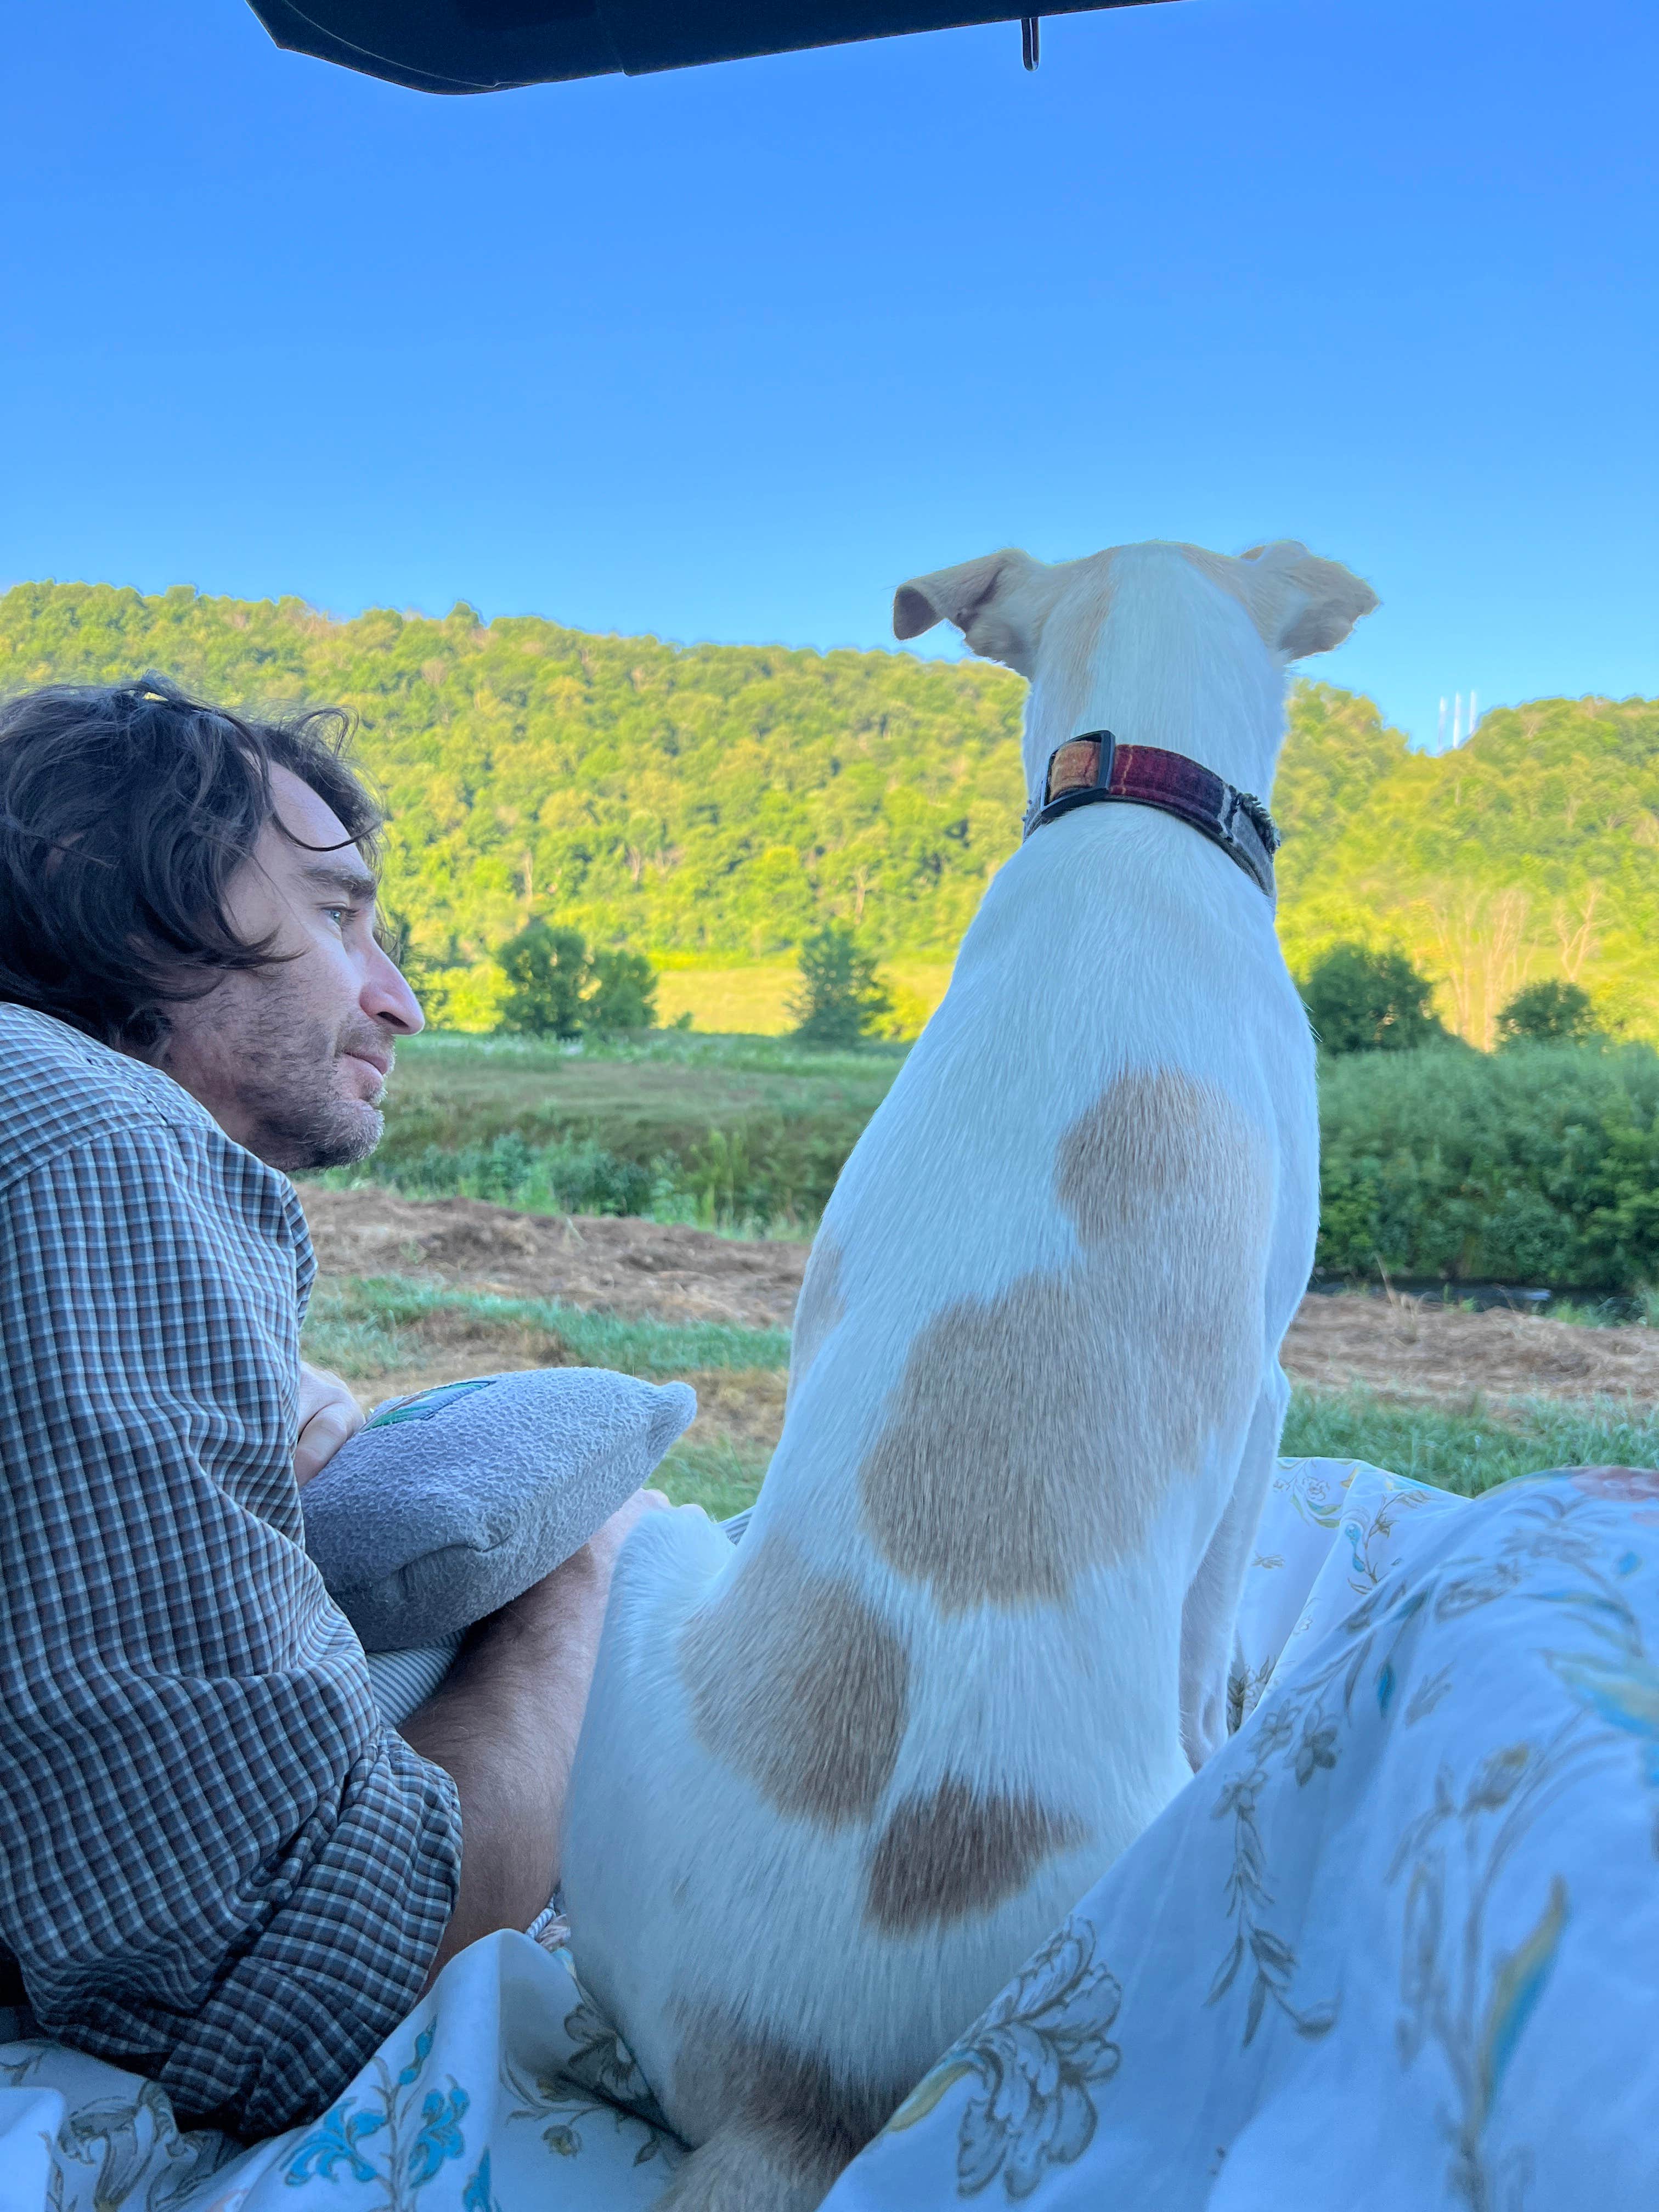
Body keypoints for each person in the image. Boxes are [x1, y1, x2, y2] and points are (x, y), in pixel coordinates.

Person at [0, 677, 661, 2140]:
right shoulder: (93, 1139)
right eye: (336, 914)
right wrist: (588, 1576)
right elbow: (292, 1989)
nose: (398, 999)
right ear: (105, 888)